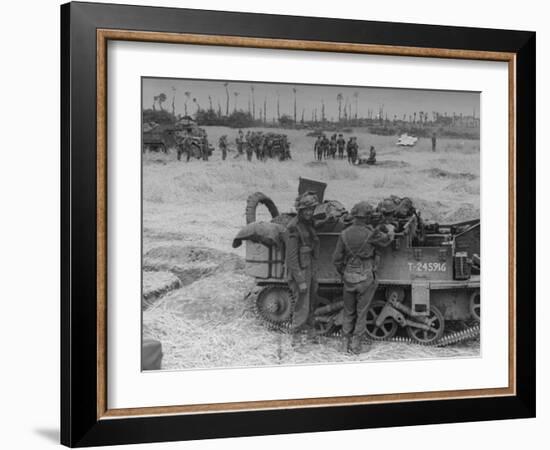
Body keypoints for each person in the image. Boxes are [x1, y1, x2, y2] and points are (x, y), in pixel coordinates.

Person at [332, 201, 395, 354]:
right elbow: (387, 240)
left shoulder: (344, 234)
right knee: (362, 313)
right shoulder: (370, 233)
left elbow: (336, 259)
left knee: (348, 311)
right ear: (367, 217)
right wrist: (391, 229)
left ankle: (343, 343)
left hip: (348, 277)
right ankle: (355, 346)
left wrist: (344, 273)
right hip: (365, 278)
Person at [286, 192, 320, 332]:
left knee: (311, 300)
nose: (309, 212)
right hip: (300, 269)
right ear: (300, 210)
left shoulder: (307, 222)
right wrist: (300, 280)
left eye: (311, 209)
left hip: (309, 266)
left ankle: (306, 328)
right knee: (301, 303)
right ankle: (296, 332)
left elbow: (312, 230)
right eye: (306, 210)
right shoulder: (293, 227)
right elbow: (291, 258)